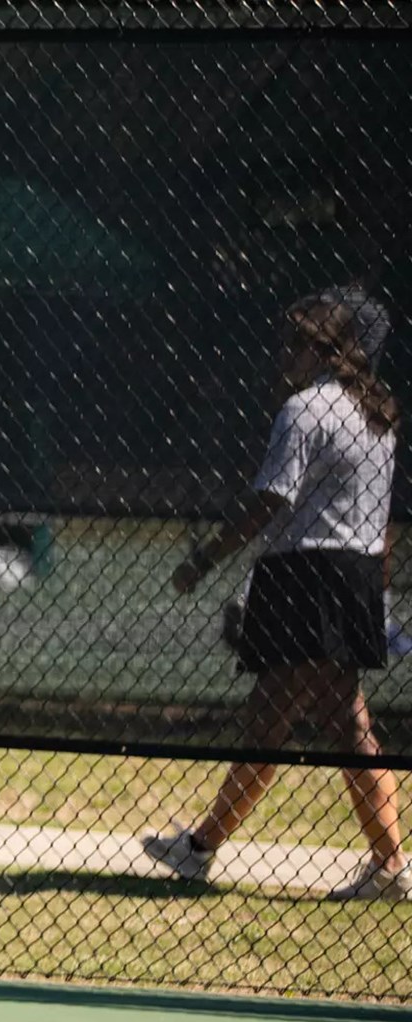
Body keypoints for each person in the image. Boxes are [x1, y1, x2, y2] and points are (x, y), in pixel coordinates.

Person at [146, 286, 408, 901]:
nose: (284, 352)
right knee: (312, 719)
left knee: (307, 720)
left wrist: (204, 559)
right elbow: (382, 519)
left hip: (304, 577)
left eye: (297, 342)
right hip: (354, 576)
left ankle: (206, 849)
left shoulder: (306, 410)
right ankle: (206, 846)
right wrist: (378, 581)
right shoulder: (378, 414)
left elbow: (271, 500)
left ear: (329, 351)